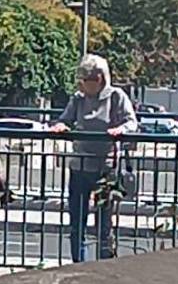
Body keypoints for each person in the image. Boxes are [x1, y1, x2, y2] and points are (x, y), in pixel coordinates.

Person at [49, 54, 138, 263]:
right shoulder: (78, 99)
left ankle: (104, 264)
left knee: (103, 223)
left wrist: (120, 129)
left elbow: (131, 122)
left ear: (100, 79)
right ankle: (77, 263)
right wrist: (61, 126)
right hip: (79, 166)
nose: (83, 84)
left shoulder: (116, 96)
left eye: (86, 80)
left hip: (105, 169)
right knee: (76, 223)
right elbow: (65, 119)